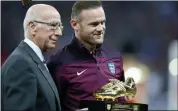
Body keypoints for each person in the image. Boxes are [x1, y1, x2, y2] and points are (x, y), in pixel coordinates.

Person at [47, 1, 128, 111]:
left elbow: (121, 101)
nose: (100, 29)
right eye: (94, 24)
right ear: (75, 24)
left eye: (103, 23)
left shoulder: (115, 57)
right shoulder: (58, 64)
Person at [1, 4, 63, 111]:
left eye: (60, 26)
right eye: (53, 25)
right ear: (32, 27)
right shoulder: (21, 63)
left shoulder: (31, 59)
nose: (59, 33)